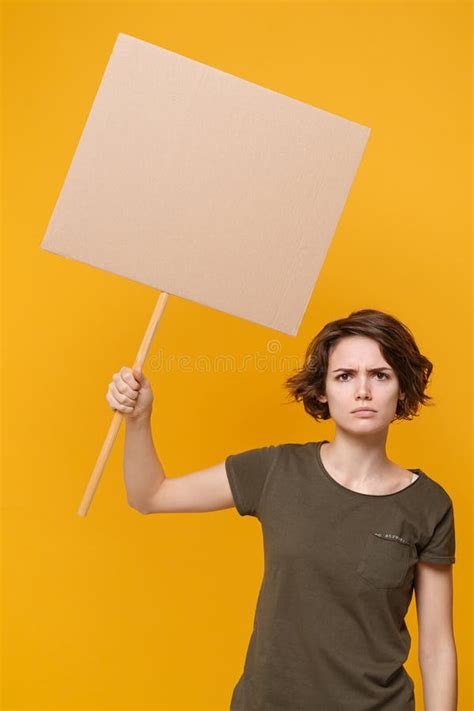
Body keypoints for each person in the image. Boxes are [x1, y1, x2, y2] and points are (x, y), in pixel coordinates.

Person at [106, 308, 457, 711]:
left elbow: (436, 647)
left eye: (380, 375)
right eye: (345, 376)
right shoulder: (275, 471)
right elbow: (150, 495)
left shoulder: (428, 504)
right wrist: (138, 419)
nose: (363, 390)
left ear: (401, 388)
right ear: (323, 390)